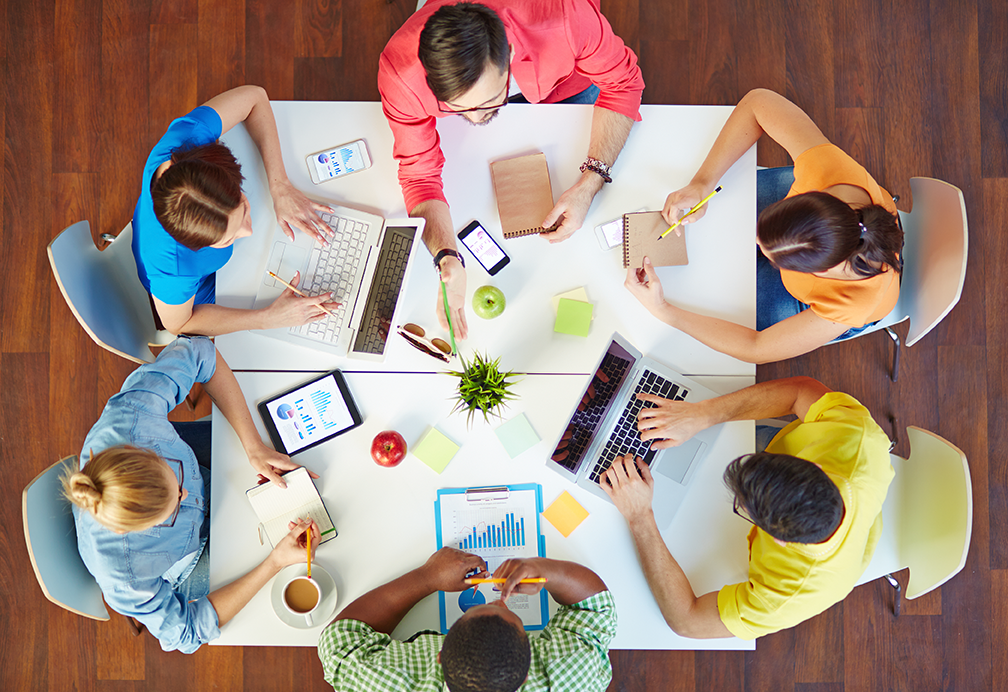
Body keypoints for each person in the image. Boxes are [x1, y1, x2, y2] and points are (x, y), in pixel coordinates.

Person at [379, 0, 644, 340]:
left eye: (488, 101)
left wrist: (590, 182)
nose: (477, 118)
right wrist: (446, 256)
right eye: (459, 108)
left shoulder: (566, 19)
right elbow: (418, 175)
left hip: (565, 84)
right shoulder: (400, 72)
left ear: (511, 53)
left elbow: (623, 84)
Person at [64, 336, 320, 653]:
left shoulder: (131, 417)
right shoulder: (123, 574)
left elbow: (201, 353)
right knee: (288, 559)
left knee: (294, 444)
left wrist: (253, 446)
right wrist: (273, 564)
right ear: (133, 530)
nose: (187, 495)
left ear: (140, 449)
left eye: (174, 478)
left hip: (199, 462)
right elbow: (184, 634)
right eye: (173, 508)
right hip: (189, 559)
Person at [601, 376, 893, 639]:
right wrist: (704, 414)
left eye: (742, 506)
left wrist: (640, 517)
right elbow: (801, 391)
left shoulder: (789, 594)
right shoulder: (856, 434)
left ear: (778, 539)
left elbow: (686, 622)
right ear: (813, 465)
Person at [625, 88, 903, 364]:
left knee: (728, 308)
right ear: (811, 196)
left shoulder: (851, 303)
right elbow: (758, 102)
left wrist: (663, 310)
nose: (753, 242)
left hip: (837, 306)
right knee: (727, 216)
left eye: (772, 258)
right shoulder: (826, 169)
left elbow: (756, 348)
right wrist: (702, 182)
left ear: (819, 272)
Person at [133, 85, 340, 335]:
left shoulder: (189, 139)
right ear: (195, 245)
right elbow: (178, 324)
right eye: (228, 239)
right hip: (197, 289)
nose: (248, 231)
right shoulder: (173, 268)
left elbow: (255, 97)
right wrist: (268, 319)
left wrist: (280, 186)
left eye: (243, 210)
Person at [318, 548, 616, 691]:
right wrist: (542, 568)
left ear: (439, 655)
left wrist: (428, 576)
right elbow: (595, 607)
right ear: (526, 673)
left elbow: (341, 642)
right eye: (508, 610)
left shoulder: (388, 683)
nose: (497, 599)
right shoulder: (573, 675)